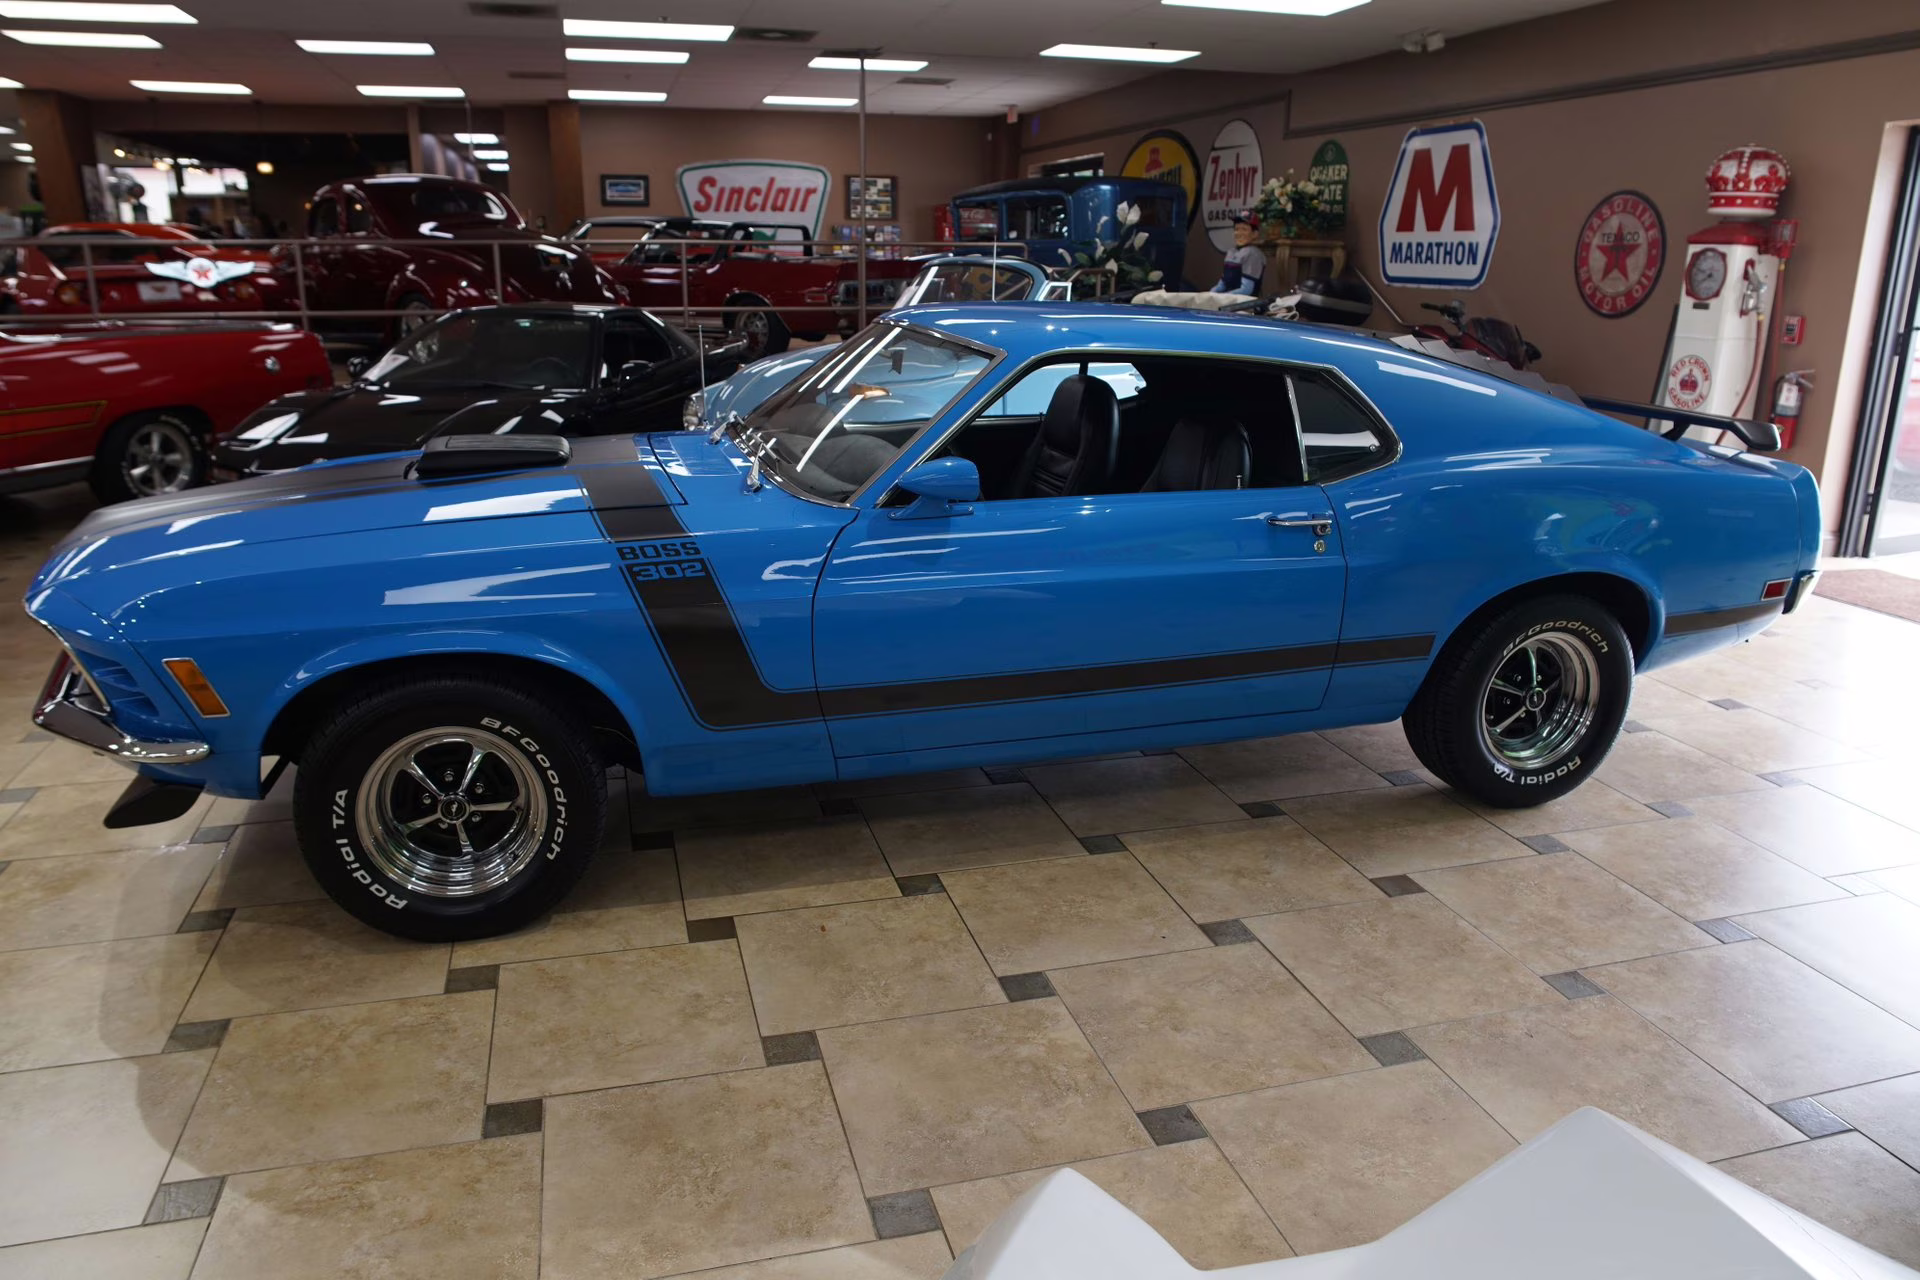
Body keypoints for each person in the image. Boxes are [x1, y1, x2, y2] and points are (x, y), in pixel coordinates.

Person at [1211, 212, 1265, 296]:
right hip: (1228, 301)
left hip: (1246, 305)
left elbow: (1246, 290)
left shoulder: (1253, 254)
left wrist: (1223, 297)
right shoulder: (1231, 252)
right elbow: (1222, 284)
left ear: (1255, 234)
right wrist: (1209, 294)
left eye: (1244, 229)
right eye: (1237, 229)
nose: (1239, 233)